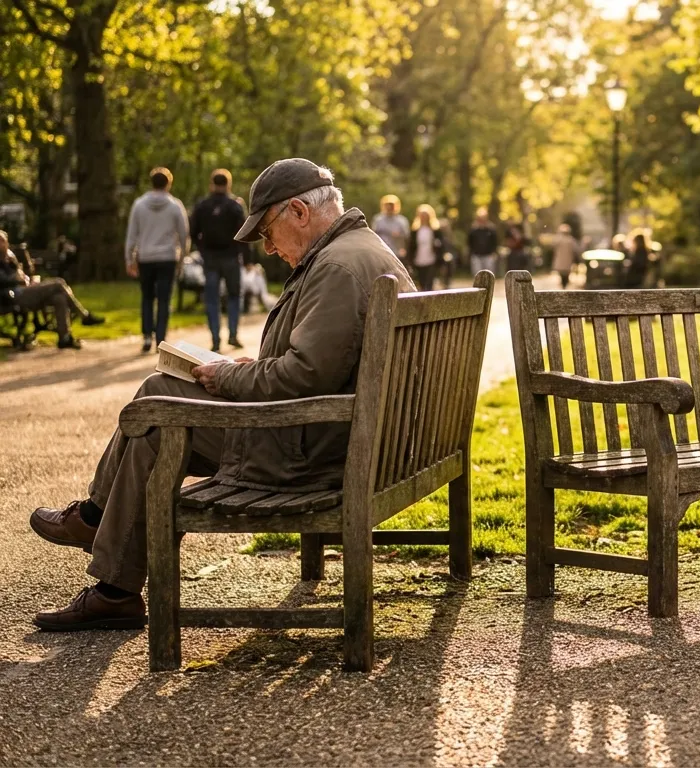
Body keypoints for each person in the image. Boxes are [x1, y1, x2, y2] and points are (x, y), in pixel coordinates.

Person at [27, 158, 416, 631]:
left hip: (311, 451)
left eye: (268, 232)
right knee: (161, 393)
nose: (269, 249)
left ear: (298, 211)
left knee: (158, 409)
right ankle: (102, 548)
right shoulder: (361, 250)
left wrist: (228, 378)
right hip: (345, 436)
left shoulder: (337, 266)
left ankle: (109, 570)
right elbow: (322, 365)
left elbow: (305, 374)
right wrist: (250, 369)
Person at [1, 229, 104, 348]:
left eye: (3, 241)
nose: (2, 244)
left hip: (25, 290)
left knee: (59, 298)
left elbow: (22, 275)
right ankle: (84, 316)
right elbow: (5, 281)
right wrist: (18, 280)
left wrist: (28, 279)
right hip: (12, 295)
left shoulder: (9, 260)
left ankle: (64, 338)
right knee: (59, 283)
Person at [125, 167, 188, 353]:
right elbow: (184, 234)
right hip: (167, 257)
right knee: (164, 298)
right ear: (168, 183)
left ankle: (146, 336)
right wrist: (182, 257)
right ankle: (161, 338)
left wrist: (129, 258)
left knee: (146, 297)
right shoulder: (175, 206)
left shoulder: (139, 205)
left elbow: (131, 234)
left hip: (145, 257)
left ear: (151, 182)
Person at [190, 168, 247, 351]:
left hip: (211, 259)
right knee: (233, 296)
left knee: (212, 299)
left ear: (212, 184)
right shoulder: (235, 206)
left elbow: (192, 232)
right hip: (231, 257)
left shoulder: (202, 206)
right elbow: (244, 234)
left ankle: (215, 338)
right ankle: (233, 334)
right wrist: (247, 258)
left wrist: (202, 250)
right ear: (228, 184)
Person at [410, 203, 452, 290]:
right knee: (421, 281)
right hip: (418, 258)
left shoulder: (435, 230)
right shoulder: (415, 231)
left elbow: (442, 244)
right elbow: (411, 245)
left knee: (429, 281)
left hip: (432, 258)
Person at [372, 194, 410, 265]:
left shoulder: (402, 220)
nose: (389, 208)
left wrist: (399, 236)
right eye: (387, 205)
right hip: (381, 251)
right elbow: (373, 235)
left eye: (392, 205)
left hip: (397, 252)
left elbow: (406, 237)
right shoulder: (378, 220)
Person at [467, 209, 499, 276]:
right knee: (477, 274)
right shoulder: (473, 230)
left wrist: (494, 252)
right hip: (476, 255)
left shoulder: (491, 229)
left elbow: (495, 242)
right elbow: (469, 242)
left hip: (488, 255)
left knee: (489, 274)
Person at [551, 222, 579, 289]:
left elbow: (552, 246)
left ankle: (563, 286)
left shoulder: (558, 239)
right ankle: (564, 286)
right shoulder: (571, 240)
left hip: (560, 262)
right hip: (568, 262)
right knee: (566, 275)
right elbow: (576, 250)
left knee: (562, 275)